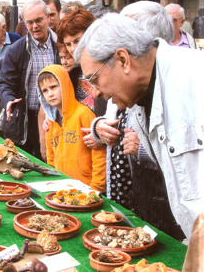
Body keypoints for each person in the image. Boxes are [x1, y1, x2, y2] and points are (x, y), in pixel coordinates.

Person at [74, 13, 204, 240]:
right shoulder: (138, 95)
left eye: (94, 79)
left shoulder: (195, 77)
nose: (95, 92)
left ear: (123, 60)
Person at [0, 0, 59, 159]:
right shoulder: (16, 50)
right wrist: (8, 99)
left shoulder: (61, 46)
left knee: (49, 166)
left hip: (54, 119)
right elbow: (4, 83)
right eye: (29, 22)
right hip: (22, 118)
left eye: (38, 20)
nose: (34, 26)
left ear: (48, 17)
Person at [37, 65, 106, 192]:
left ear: (65, 85)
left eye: (53, 87)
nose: (50, 94)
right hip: (62, 188)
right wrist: (53, 184)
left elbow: (99, 153)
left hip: (87, 188)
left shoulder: (84, 114)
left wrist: (97, 187)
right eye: (45, 91)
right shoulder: (50, 122)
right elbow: (51, 157)